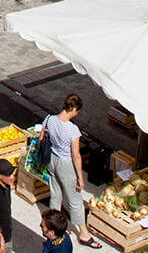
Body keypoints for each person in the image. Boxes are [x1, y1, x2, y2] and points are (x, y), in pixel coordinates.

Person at [41, 94, 100, 248]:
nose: (77, 114)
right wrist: (80, 178)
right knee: (75, 201)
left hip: (51, 160)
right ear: (73, 108)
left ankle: (53, 227)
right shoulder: (73, 130)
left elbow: (41, 138)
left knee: (56, 195)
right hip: (66, 164)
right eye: (77, 111)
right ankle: (84, 234)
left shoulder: (49, 119)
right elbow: (76, 156)